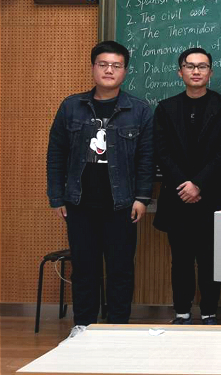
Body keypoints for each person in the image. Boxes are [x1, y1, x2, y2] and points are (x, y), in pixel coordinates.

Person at [46, 40, 154, 336]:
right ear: (93, 68)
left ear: (125, 71)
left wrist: (142, 198)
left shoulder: (139, 110)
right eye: (103, 64)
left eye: (116, 65)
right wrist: (57, 197)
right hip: (79, 203)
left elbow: (146, 158)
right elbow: (56, 154)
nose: (109, 70)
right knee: (84, 269)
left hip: (122, 204)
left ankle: (118, 328)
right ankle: (83, 326)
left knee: (121, 270)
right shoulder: (72, 106)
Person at [153, 47, 221, 325]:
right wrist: (184, 184)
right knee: (181, 260)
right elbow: (161, 152)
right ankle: (182, 312)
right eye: (190, 66)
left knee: (210, 259)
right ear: (180, 72)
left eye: (202, 66)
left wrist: (198, 184)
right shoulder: (165, 108)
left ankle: (210, 312)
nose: (196, 71)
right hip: (178, 197)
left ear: (210, 72)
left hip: (212, 195)